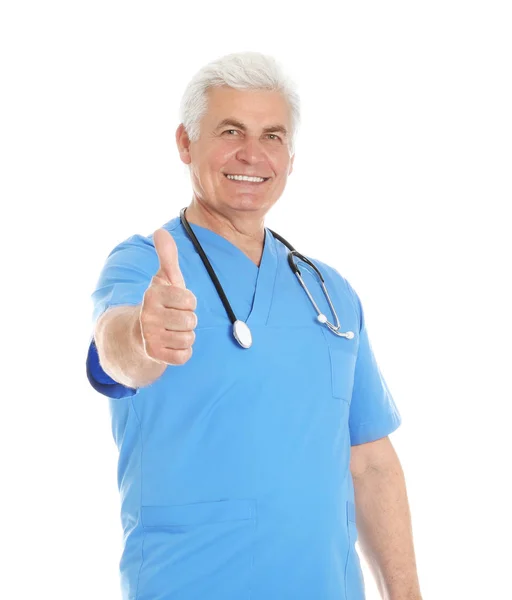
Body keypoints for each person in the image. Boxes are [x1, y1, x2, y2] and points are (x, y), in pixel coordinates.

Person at [86, 51, 422, 600]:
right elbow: (115, 351)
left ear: (291, 157)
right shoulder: (144, 264)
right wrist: (145, 336)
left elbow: (371, 465)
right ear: (185, 143)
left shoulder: (329, 293)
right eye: (230, 130)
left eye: (273, 136)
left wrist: (406, 594)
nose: (252, 153)